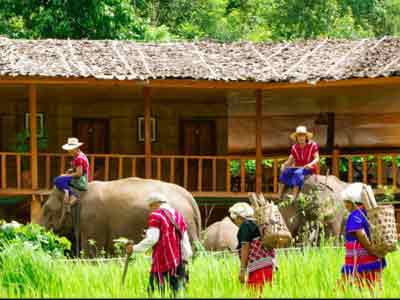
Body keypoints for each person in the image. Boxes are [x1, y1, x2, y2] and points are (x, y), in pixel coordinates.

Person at [126, 192, 192, 297]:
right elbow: (184, 239)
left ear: (155, 204)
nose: (150, 210)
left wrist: (134, 249)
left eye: (150, 207)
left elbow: (152, 239)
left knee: (152, 292)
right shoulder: (178, 215)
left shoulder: (156, 215)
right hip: (178, 262)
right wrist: (185, 258)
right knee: (175, 293)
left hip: (162, 261)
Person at [339, 182, 386, 289]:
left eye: (346, 202)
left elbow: (360, 234)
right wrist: (374, 250)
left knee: (349, 280)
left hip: (360, 256)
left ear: (353, 202)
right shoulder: (368, 212)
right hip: (372, 256)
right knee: (373, 283)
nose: (345, 205)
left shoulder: (355, 215)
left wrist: (370, 249)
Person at [229, 202, 276, 295]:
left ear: (239, 217)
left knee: (255, 294)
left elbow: (245, 248)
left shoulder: (245, 225)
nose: (235, 223)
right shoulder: (258, 222)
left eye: (234, 220)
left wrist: (242, 270)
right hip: (269, 264)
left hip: (258, 267)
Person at [278, 126, 319, 201]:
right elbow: (290, 160)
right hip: (298, 167)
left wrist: (310, 164)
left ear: (306, 136)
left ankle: (293, 197)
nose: (301, 137)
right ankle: (279, 196)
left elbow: (317, 158)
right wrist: (284, 165)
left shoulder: (313, 145)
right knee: (285, 172)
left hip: (309, 168)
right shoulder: (294, 147)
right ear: (296, 138)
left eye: (303, 135)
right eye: (299, 135)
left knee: (297, 173)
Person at [53, 137, 91, 206]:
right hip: (81, 178)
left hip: (81, 181)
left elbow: (79, 174)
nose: (69, 151)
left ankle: (71, 195)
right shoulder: (80, 155)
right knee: (61, 178)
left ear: (75, 148)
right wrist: (70, 170)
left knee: (57, 180)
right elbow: (79, 169)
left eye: (70, 149)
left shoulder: (79, 159)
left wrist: (65, 175)